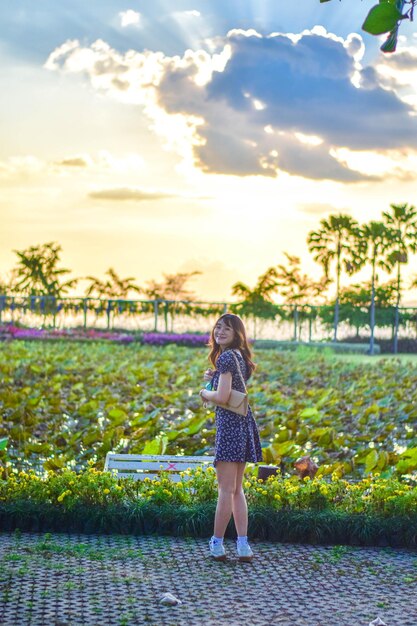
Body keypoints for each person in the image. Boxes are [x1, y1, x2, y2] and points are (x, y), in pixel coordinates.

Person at [199, 313, 263, 562]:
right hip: (244, 424)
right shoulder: (238, 357)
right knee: (237, 490)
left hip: (229, 429)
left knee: (225, 490)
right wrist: (214, 376)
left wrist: (205, 392)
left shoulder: (226, 357)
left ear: (237, 333)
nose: (220, 331)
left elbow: (224, 397)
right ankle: (243, 545)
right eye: (217, 327)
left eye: (227, 328)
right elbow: (233, 382)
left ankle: (217, 543)